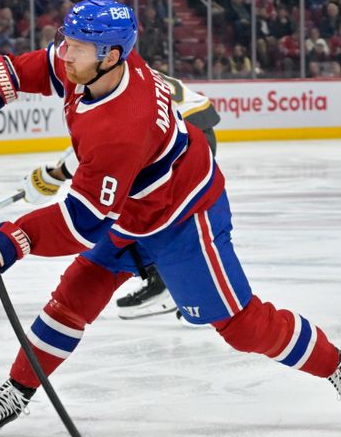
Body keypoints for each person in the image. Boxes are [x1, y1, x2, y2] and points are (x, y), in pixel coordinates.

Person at [0, 0, 341, 437]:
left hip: (184, 217)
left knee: (242, 326)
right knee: (72, 299)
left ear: (112, 57)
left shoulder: (121, 126)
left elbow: (83, 222)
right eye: (67, 40)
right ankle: (18, 390)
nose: (65, 53)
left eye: (76, 47)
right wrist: (0, 77)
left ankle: (340, 366)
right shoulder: (95, 64)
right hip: (130, 210)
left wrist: (13, 241)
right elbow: (46, 66)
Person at [20, 70, 221, 321]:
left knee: (132, 212)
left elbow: (108, 148)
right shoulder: (119, 74)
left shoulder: (103, 90)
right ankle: (184, 284)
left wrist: (55, 175)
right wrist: (56, 173)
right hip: (192, 128)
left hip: (181, 136)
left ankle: (168, 283)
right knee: (149, 212)